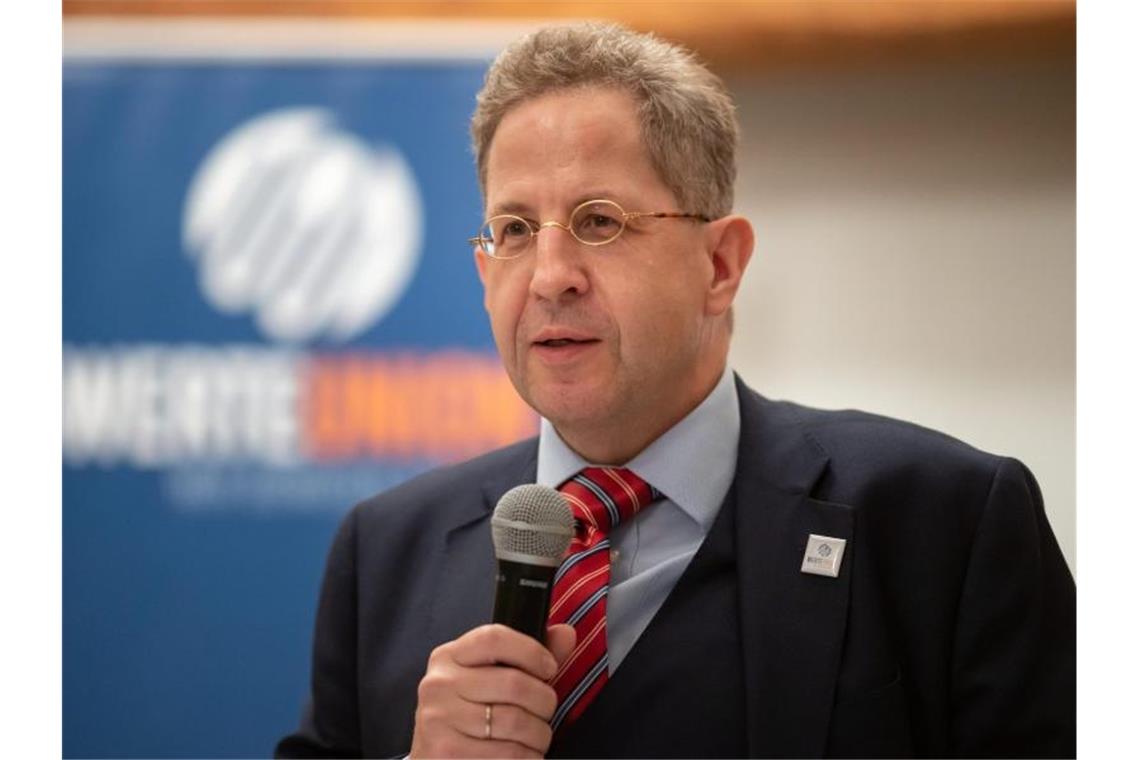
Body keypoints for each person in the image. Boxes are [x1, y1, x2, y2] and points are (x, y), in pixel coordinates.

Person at [277, 22, 1075, 759]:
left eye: (599, 222)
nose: (550, 278)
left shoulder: (945, 522)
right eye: (515, 230)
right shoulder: (384, 551)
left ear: (720, 267)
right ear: (487, 269)